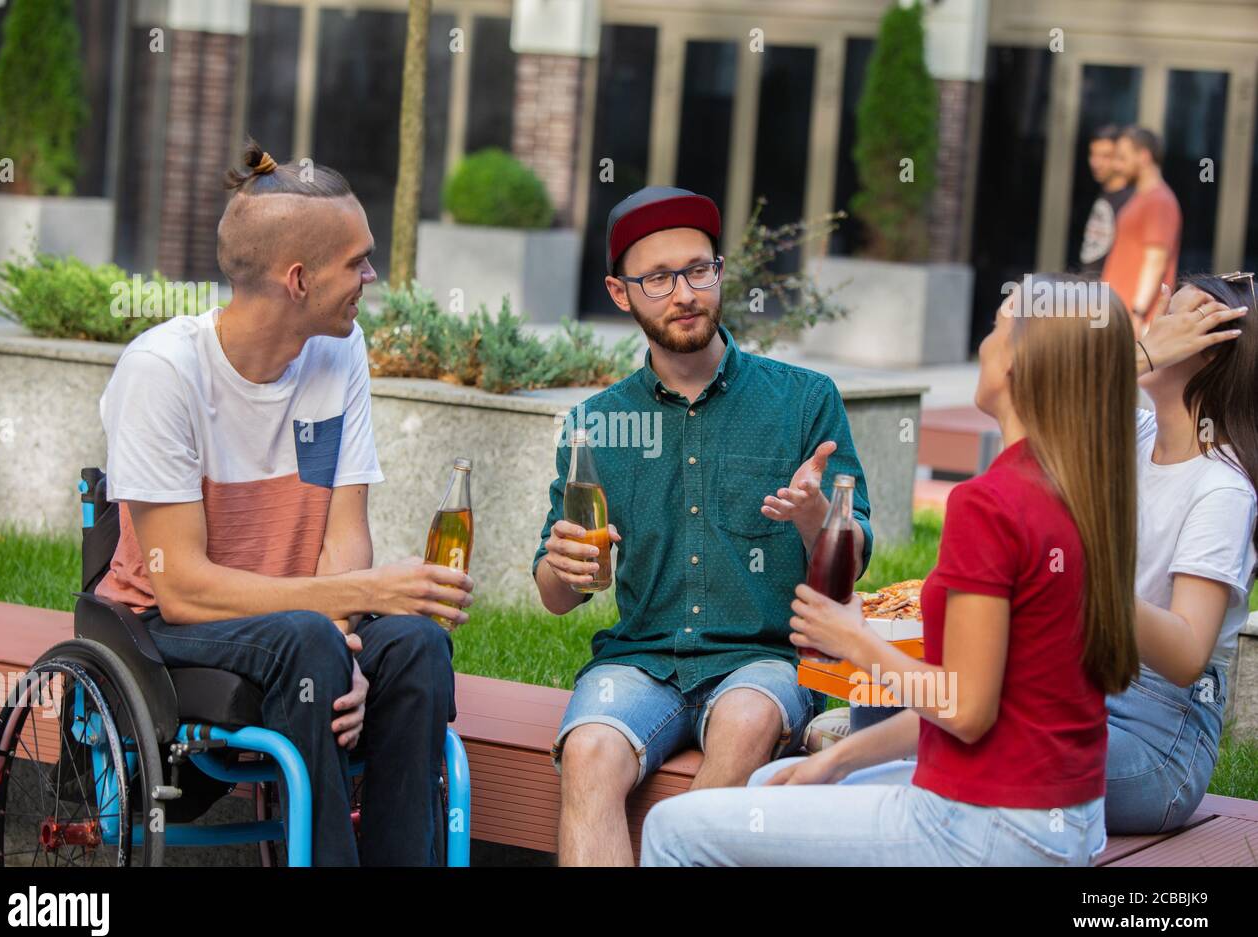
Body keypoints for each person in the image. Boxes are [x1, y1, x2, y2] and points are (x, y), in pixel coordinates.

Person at [640, 273, 1140, 866]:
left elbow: (967, 710)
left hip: (984, 825)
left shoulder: (992, 503)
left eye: (998, 328)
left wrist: (854, 637)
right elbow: (991, 701)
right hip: (1064, 821)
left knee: (673, 828)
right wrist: (836, 759)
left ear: (1021, 364)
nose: (983, 344)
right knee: (766, 789)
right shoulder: (1081, 492)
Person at [94, 140, 474, 866]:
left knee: (420, 645)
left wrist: (355, 637)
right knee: (306, 637)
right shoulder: (162, 372)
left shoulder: (339, 350)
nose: (372, 275)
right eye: (356, 262)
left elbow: (343, 534)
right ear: (297, 279)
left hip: (306, 624)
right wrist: (353, 605)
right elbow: (181, 589)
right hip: (166, 630)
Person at [532, 186, 873, 866]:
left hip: (762, 660)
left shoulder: (804, 399)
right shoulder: (595, 423)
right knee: (589, 751)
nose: (684, 292)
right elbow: (555, 592)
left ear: (720, 272)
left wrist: (817, 521)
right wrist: (566, 567)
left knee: (746, 723)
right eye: (658, 278)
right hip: (638, 660)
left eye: (699, 270)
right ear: (620, 292)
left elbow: (854, 557)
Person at [1108, 274, 1257, 832]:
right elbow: (1039, 394)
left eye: (1173, 318)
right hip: (1080, 688)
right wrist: (1141, 354)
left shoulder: (1221, 488)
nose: (1154, 328)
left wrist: (1086, 577)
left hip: (1158, 737)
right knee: (905, 696)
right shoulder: (1135, 435)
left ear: (1206, 351)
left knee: (988, 744)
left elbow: (1188, 652)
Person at [1102, 126, 1182, 334]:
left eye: (1122, 158)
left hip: (1134, 318)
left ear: (1144, 156)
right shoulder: (1140, 197)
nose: (1117, 166)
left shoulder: (1159, 201)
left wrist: (1137, 312)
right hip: (1119, 312)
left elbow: (1156, 261)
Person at [1079, 124, 1135, 275]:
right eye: (1093, 154)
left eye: (1105, 156)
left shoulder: (1131, 201)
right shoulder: (1105, 193)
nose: (1096, 163)